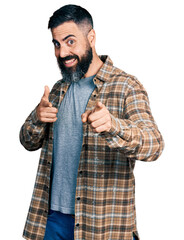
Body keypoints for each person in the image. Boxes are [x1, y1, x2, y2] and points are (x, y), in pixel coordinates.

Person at [20, 4, 164, 240]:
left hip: (101, 225)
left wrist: (113, 126)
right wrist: (36, 117)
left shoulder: (126, 86)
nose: (62, 52)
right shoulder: (58, 90)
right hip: (51, 221)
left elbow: (155, 145)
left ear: (91, 37)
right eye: (56, 44)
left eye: (70, 41)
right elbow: (27, 141)